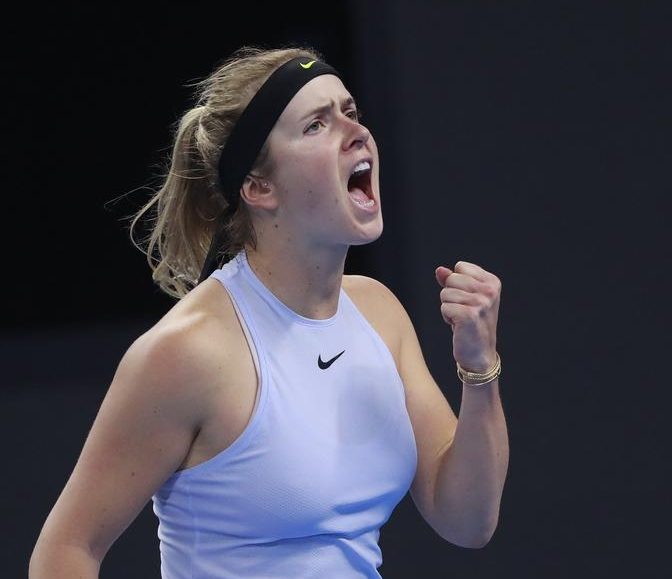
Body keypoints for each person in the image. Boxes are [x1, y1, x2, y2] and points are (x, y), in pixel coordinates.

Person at [29, 45, 509, 578]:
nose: (355, 131)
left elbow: (467, 520)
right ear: (259, 188)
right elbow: (67, 548)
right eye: (316, 125)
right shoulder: (190, 352)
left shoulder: (379, 313)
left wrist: (478, 368)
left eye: (349, 111)